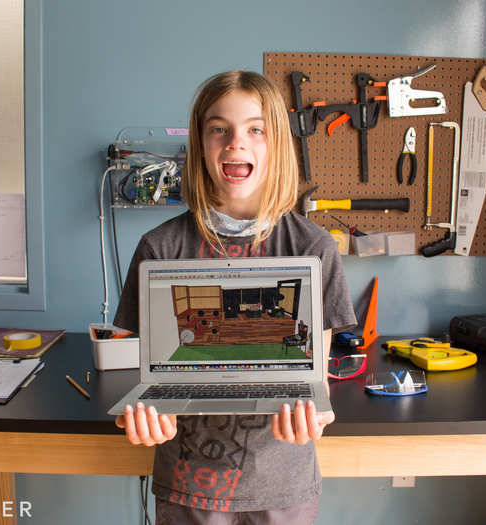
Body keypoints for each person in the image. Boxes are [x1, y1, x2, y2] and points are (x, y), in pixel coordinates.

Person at [113, 70, 357, 524]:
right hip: (188, 489)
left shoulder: (314, 248)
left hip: (283, 486)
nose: (235, 142)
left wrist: (317, 415)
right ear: (201, 144)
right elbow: (134, 378)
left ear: (277, 144)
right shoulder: (159, 247)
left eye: (255, 129)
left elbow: (315, 380)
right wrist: (141, 413)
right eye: (218, 128)